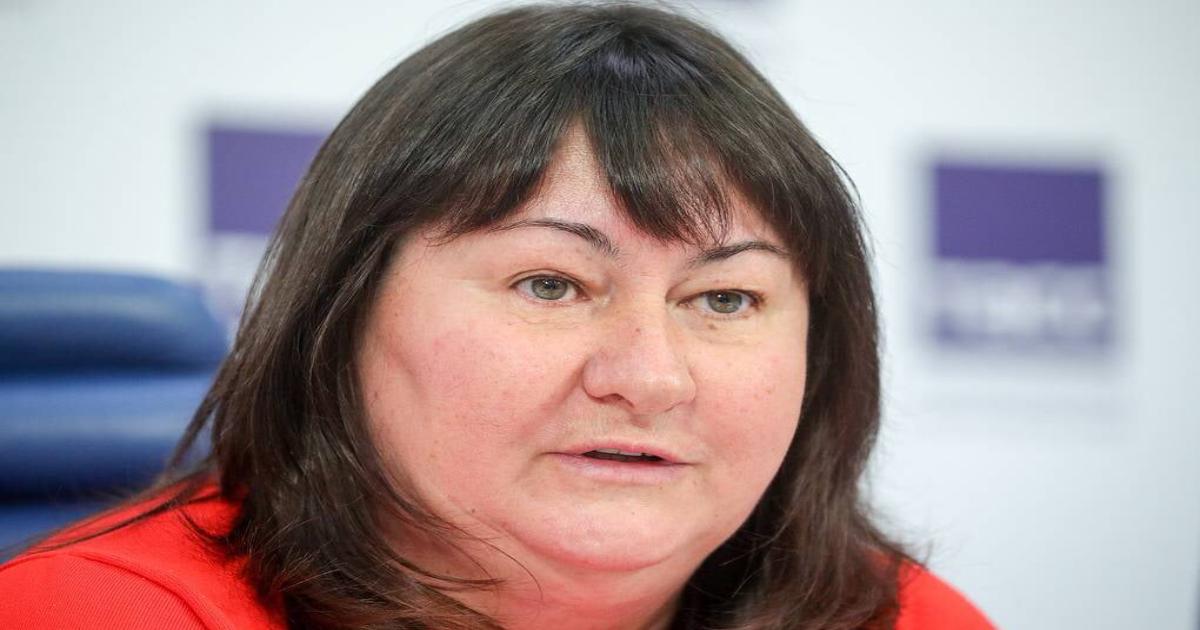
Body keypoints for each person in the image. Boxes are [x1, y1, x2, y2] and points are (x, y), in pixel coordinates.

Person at [0, 2, 995, 628]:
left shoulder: (905, 619)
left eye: (724, 299)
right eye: (551, 284)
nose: (649, 376)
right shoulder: (94, 614)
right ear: (341, 318)